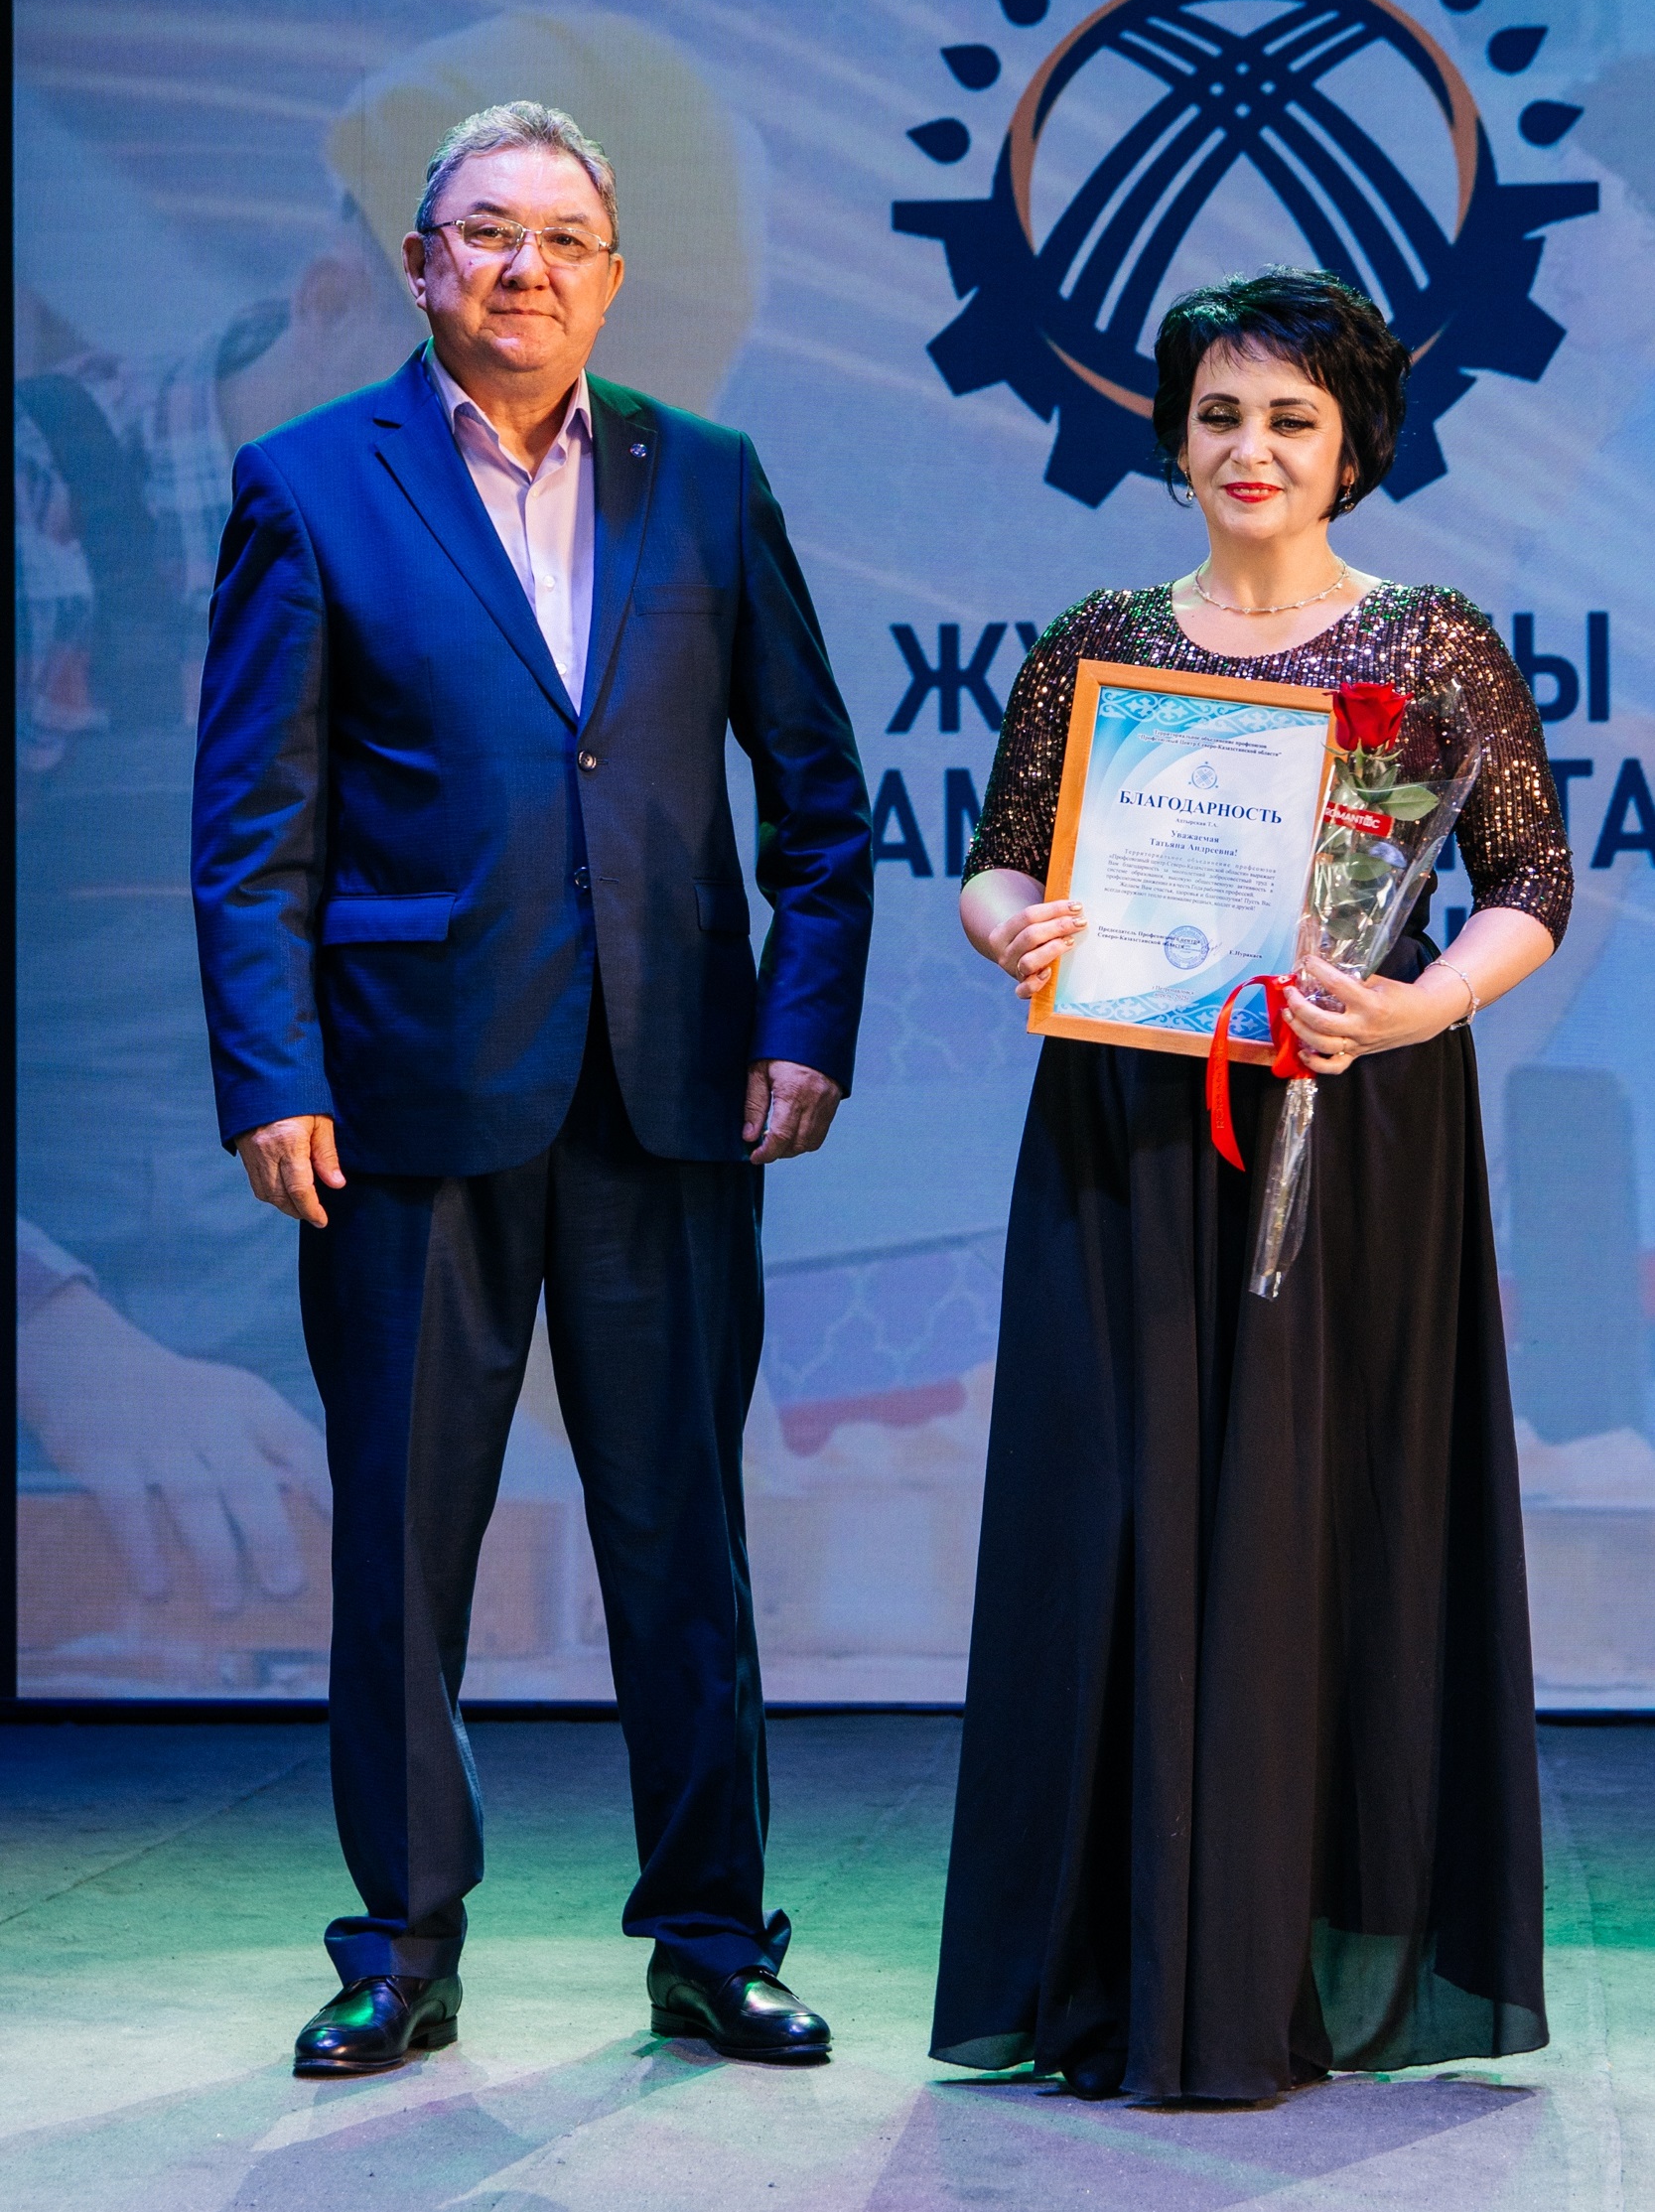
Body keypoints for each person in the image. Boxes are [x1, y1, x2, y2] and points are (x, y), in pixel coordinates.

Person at [192, 100, 873, 2075]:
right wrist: (271, 1071)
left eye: (566, 238)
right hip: (406, 1098)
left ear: (614, 276)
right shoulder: (310, 483)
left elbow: (820, 802)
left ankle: (713, 1936)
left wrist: (804, 1025)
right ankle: (401, 1946)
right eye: (487, 232)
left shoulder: (708, 477)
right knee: (404, 1548)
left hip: (673, 1090)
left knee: (683, 1538)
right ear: (422, 266)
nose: (526, 268)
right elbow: (252, 826)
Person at [932, 268, 1568, 2105]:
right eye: (1219, 415)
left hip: (1354, 1127)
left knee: (1322, 1505)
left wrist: (1417, 1007)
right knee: (1119, 1504)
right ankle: (1122, 1965)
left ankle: (1295, 1949)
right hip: (1128, 1123)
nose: (1251, 448)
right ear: (1176, 439)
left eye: (1291, 418)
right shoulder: (1102, 637)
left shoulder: (1431, 643)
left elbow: (1529, 882)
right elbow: (996, 861)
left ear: (1353, 447)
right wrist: (1012, 928)